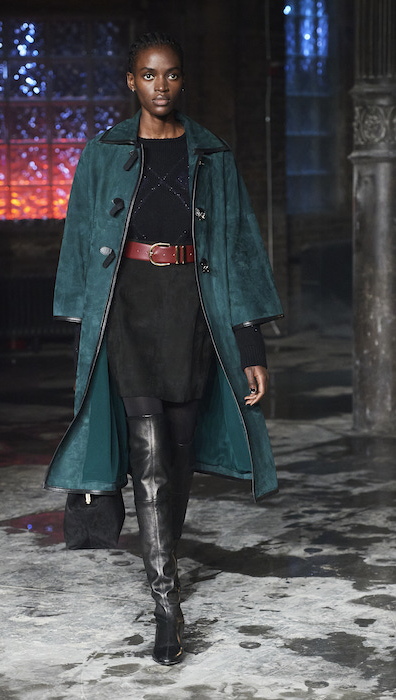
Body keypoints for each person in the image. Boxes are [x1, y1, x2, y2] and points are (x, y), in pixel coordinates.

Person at [44, 32, 283, 666]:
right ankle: (165, 600)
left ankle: (165, 557)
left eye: (171, 75)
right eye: (148, 75)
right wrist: (84, 327)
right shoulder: (104, 153)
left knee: (176, 457)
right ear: (131, 82)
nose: (161, 86)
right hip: (127, 307)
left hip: (191, 309)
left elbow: (238, 247)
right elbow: (80, 233)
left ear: (182, 80)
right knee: (147, 454)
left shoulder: (212, 155)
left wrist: (250, 341)